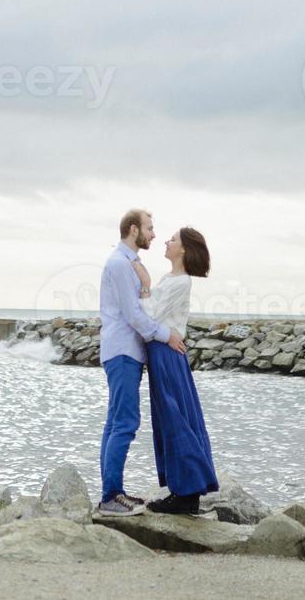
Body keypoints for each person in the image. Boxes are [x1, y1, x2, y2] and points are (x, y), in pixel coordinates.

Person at [96, 208, 187, 517]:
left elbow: (144, 309)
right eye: (149, 228)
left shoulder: (131, 264)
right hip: (122, 351)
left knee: (116, 422)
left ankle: (114, 491)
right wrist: (167, 336)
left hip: (127, 351)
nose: (153, 234)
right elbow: (134, 315)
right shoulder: (120, 264)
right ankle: (110, 496)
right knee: (124, 423)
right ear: (133, 229)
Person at [137, 226, 219, 514]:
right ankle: (182, 488)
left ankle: (187, 492)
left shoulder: (180, 282)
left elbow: (150, 316)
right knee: (172, 418)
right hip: (163, 352)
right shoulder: (171, 279)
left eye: (173, 239)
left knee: (176, 418)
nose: (167, 242)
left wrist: (145, 285)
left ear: (183, 249)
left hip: (167, 354)